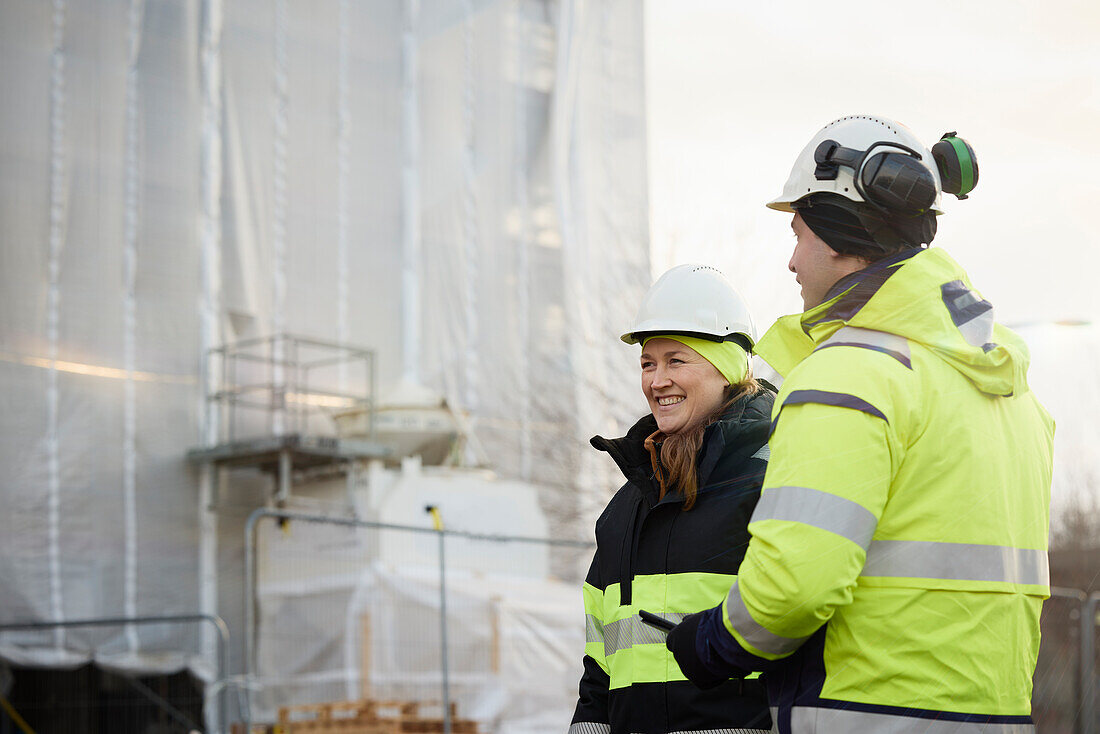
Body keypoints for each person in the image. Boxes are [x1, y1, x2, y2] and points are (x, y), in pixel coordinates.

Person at [665, 115, 1055, 733]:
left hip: (864, 711)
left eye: (798, 232)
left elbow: (795, 586)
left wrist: (713, 642)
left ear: (840, 230)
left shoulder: (848, 373)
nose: (792, 259)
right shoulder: (1012, 392)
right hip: (995, 714)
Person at [570, 264, 775, 734]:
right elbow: (601, 663)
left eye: (676, 361)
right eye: (647, 363)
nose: (656, 380)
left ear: (727, 370)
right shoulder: (626, 508)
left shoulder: (774, 477)